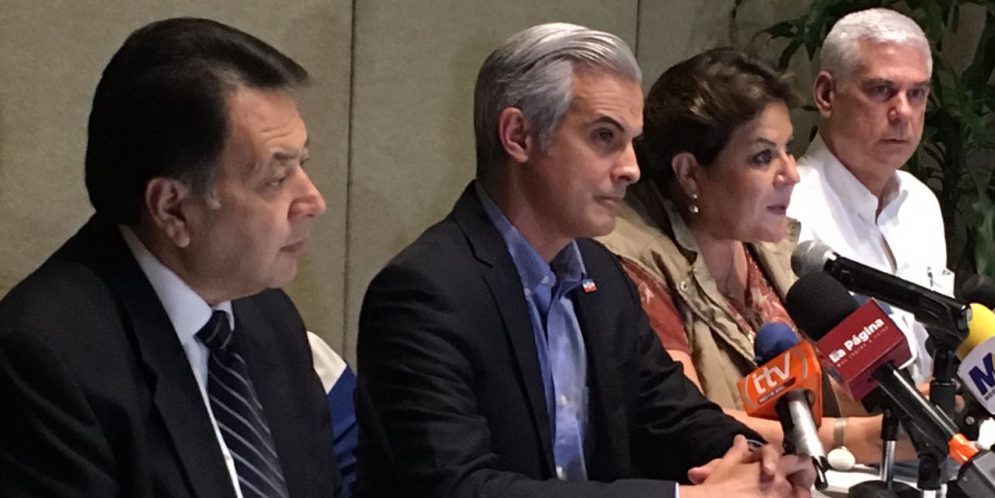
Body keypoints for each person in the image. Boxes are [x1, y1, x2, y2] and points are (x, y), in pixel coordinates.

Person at [356, 23, 815, 498]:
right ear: (519, 136)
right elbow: (458, 486)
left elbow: (670, 414)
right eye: (604, 136)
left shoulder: (598, 272)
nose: (631, 168)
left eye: (632, 141)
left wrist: (758, 460)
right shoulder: (424, 294)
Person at [0, 18, 341, 498]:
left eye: (303, 163)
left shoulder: (269, 317)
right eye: (275, 178)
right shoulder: (45, 358)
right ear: (172, 209)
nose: (314, 201)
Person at [599, 48, 886, 464]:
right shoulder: (632, 261)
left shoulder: (779, 249)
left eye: (787, 149)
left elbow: (855, 386)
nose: (791, 174)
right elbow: (687, 426)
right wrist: (858, 437)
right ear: (689, 173)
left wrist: (911, 403)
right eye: (763, 157)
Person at [787, 8, 952, 382]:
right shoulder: (788, 210)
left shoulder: (921, 203)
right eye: (881, 90)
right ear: (826, 94)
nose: (903, 112)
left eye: (917, 93)